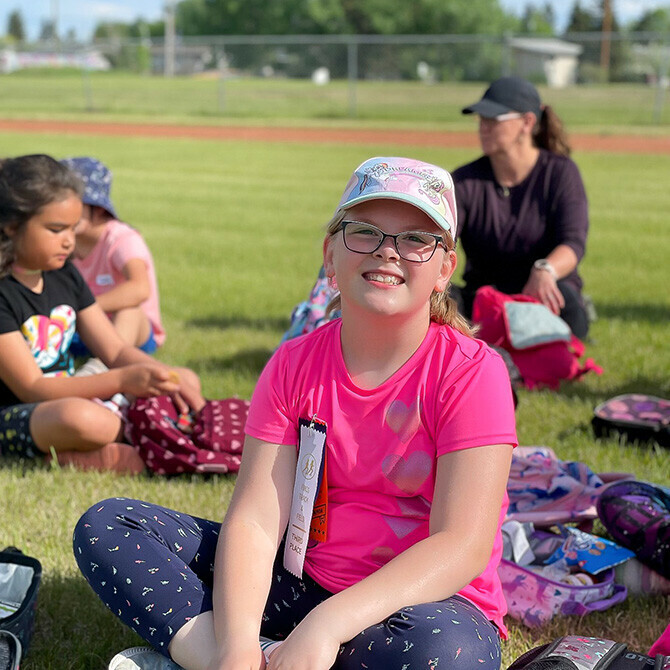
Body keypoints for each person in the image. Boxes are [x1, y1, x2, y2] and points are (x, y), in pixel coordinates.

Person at [73, 157, 517, 670]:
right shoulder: (293, 363)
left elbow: (460, 544)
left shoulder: (471, 372)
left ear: (444, 269)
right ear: (331, 256)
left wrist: (327, 626)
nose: (388, 251)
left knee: (450, 654)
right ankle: (238, 659)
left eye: (417, 239)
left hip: (420, 607)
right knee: (111, 525)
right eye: (365, 232)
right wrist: (237, 642)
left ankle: (240, 655)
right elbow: (258, 521)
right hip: (299, 585)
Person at [0, 153, 203, 464]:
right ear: (12, 226)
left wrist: (161, 374)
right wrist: (122, 381)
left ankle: (103, 450)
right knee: (82, 418)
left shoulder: (64, 274)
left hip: (69, 394)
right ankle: (123, 443)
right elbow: (32, 387)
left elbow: (116, 351)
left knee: (183, 379)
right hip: (20, 410)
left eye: (73, 228)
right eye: (57, 230)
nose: (70, 241)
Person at [451, 76, 591, 339]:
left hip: (540, 293)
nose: (483, 127)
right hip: (484, 298)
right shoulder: (464, 180)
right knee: (439, 299)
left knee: (568, 308)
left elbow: (573, 242)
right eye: (481, 120)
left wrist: (545, 269)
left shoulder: (560, 173)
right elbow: (445, 238)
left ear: (527, 122)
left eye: (493, 120)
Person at [60, 156, 165, 353]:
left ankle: (104, 367)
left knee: (130, 309)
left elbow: (139, 289)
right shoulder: (62, 240)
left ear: (98, 209)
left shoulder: (121, 238)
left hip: (129, 333)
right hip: (83, 330)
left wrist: (83, 308)